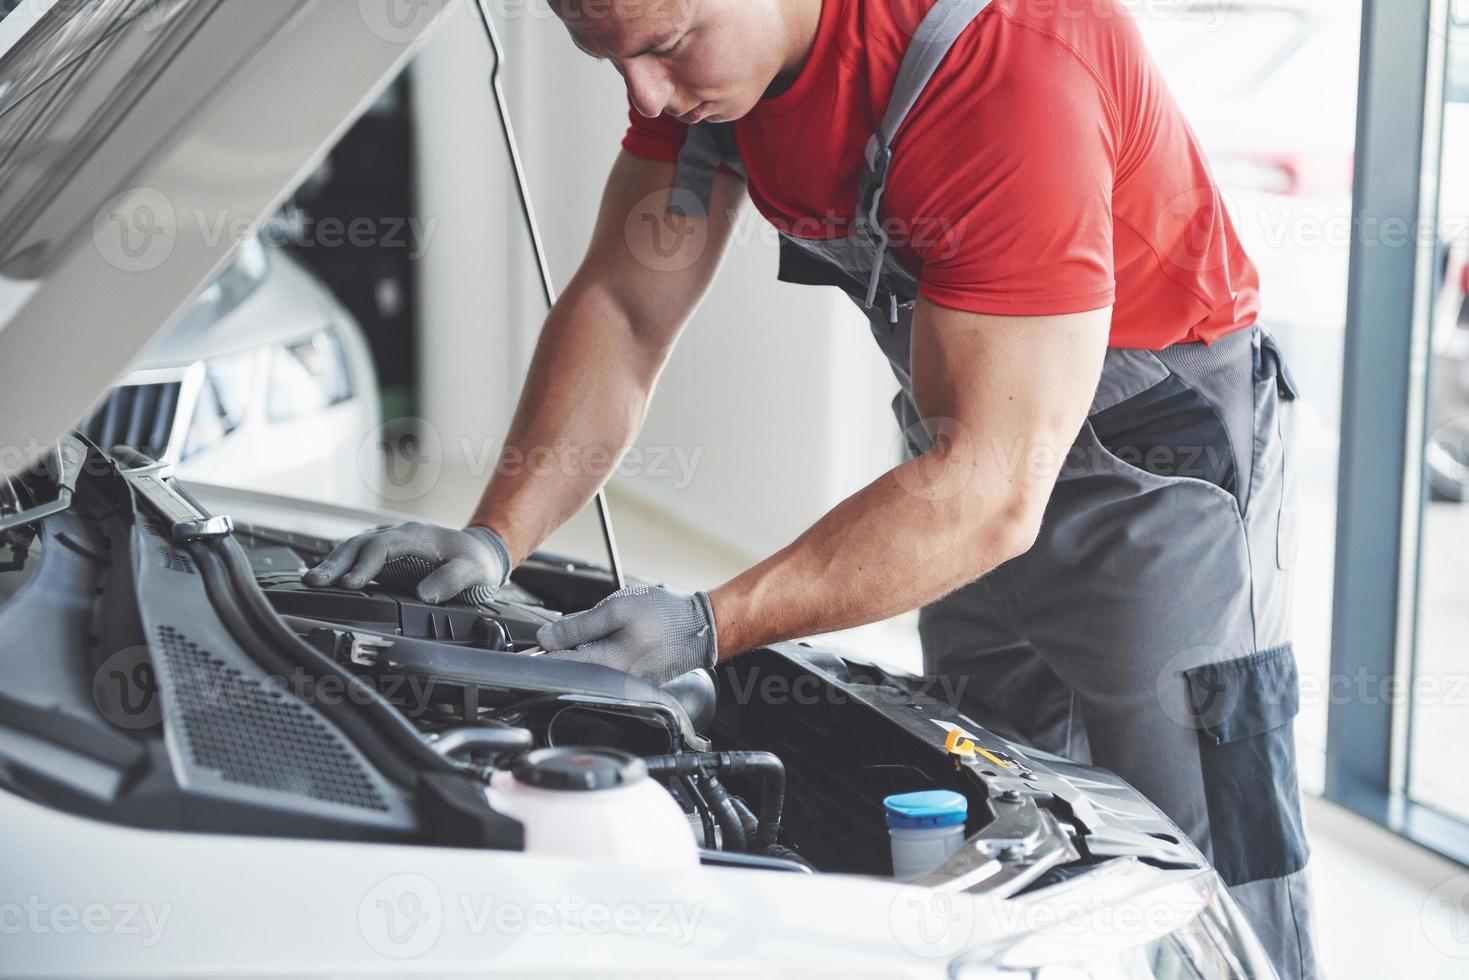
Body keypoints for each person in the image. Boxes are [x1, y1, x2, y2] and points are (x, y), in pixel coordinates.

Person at [308, 0, 1315, 973]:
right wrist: (495, 535)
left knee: (1208, 867)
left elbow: (993, 489)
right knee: (997, 823)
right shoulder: (700, 79)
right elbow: (623, 304)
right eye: (612, 62)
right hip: (960, 450)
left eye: (663, 47)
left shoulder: (1010, 62)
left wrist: (710, 623)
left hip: (1154, 477)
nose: (646, 96)